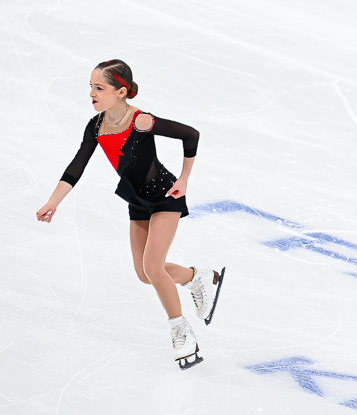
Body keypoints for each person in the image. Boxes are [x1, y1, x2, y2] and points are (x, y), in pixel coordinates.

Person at [36, 59, 224, 370]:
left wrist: (184, 178)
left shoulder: (141, 121)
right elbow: (76, 167)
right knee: (145, 274)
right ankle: (197, 277)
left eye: (99, 88)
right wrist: (53, 201)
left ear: (121, 92)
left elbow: (191, 134)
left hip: (165, 197)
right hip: (136, 203)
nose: (92, 93)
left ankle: (182, 333)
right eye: (91, 87)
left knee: (153, 266)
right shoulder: (95, 126)